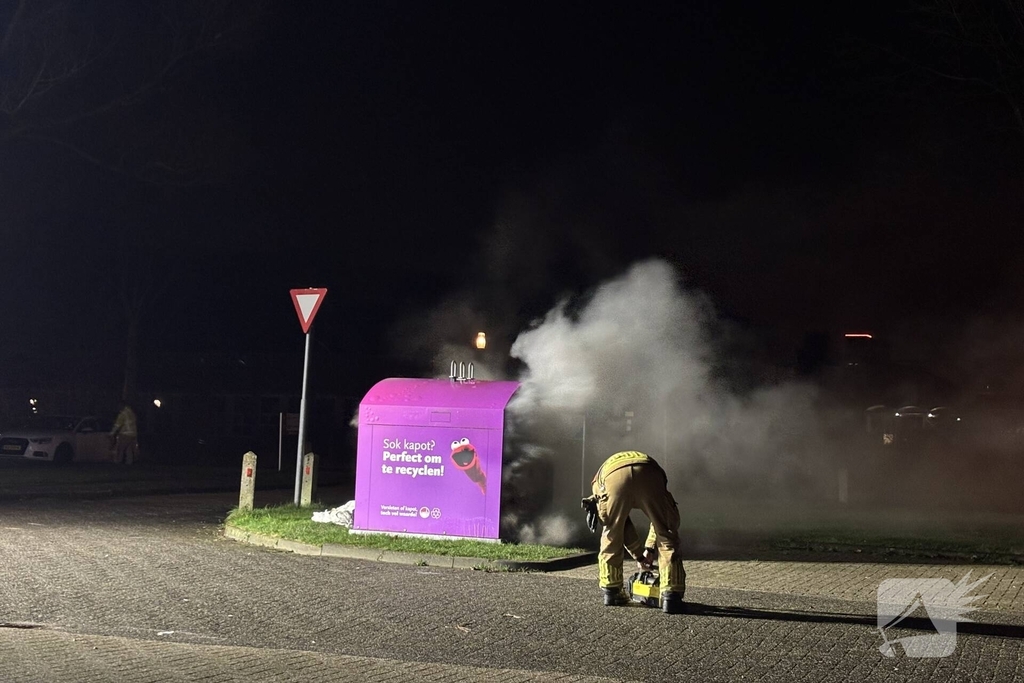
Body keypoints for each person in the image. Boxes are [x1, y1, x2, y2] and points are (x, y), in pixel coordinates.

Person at [581, 450, 686, 614]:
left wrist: (641, 554)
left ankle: (612, 591)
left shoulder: (597, 484)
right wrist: (648, 550)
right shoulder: (654, 474)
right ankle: (670, 596)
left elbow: (621, 526)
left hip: (612, 477)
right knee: (666, 534)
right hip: (649, 473)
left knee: (611, 533)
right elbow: (660, 521)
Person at [110, 401, 139, 465]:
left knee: (120, 449)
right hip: (133, 433)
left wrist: (112, 433)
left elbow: (117, 425)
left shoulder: (122, 414)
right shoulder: (131, 413)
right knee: (129, 450)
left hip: (125, 433)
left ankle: (118, 462)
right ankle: (129, 462)